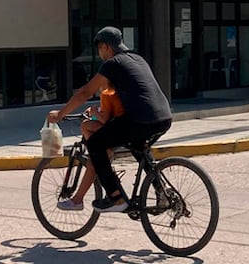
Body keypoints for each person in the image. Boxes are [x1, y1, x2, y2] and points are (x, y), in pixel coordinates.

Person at [48, 26, 172, 213]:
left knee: (97, 145)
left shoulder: (113, 63)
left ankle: (116, 198)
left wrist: (61, 113)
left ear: (105, 46)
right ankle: (161, 191)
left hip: (139, 119)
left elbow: (85, 92)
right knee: (139, 147)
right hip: (164, 117)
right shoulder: (138, 59)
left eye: (99, 49)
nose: (99, 54)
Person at [56, 78, 124, 211]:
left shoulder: (107, 93)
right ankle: (102, 152)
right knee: (89, 126)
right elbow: (110, 113)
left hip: (116, 132)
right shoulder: (118, 92)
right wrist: (96, 112)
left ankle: (77, 200)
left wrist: (94, 113)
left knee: (86, 126)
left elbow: (104, 120)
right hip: (125, 128)